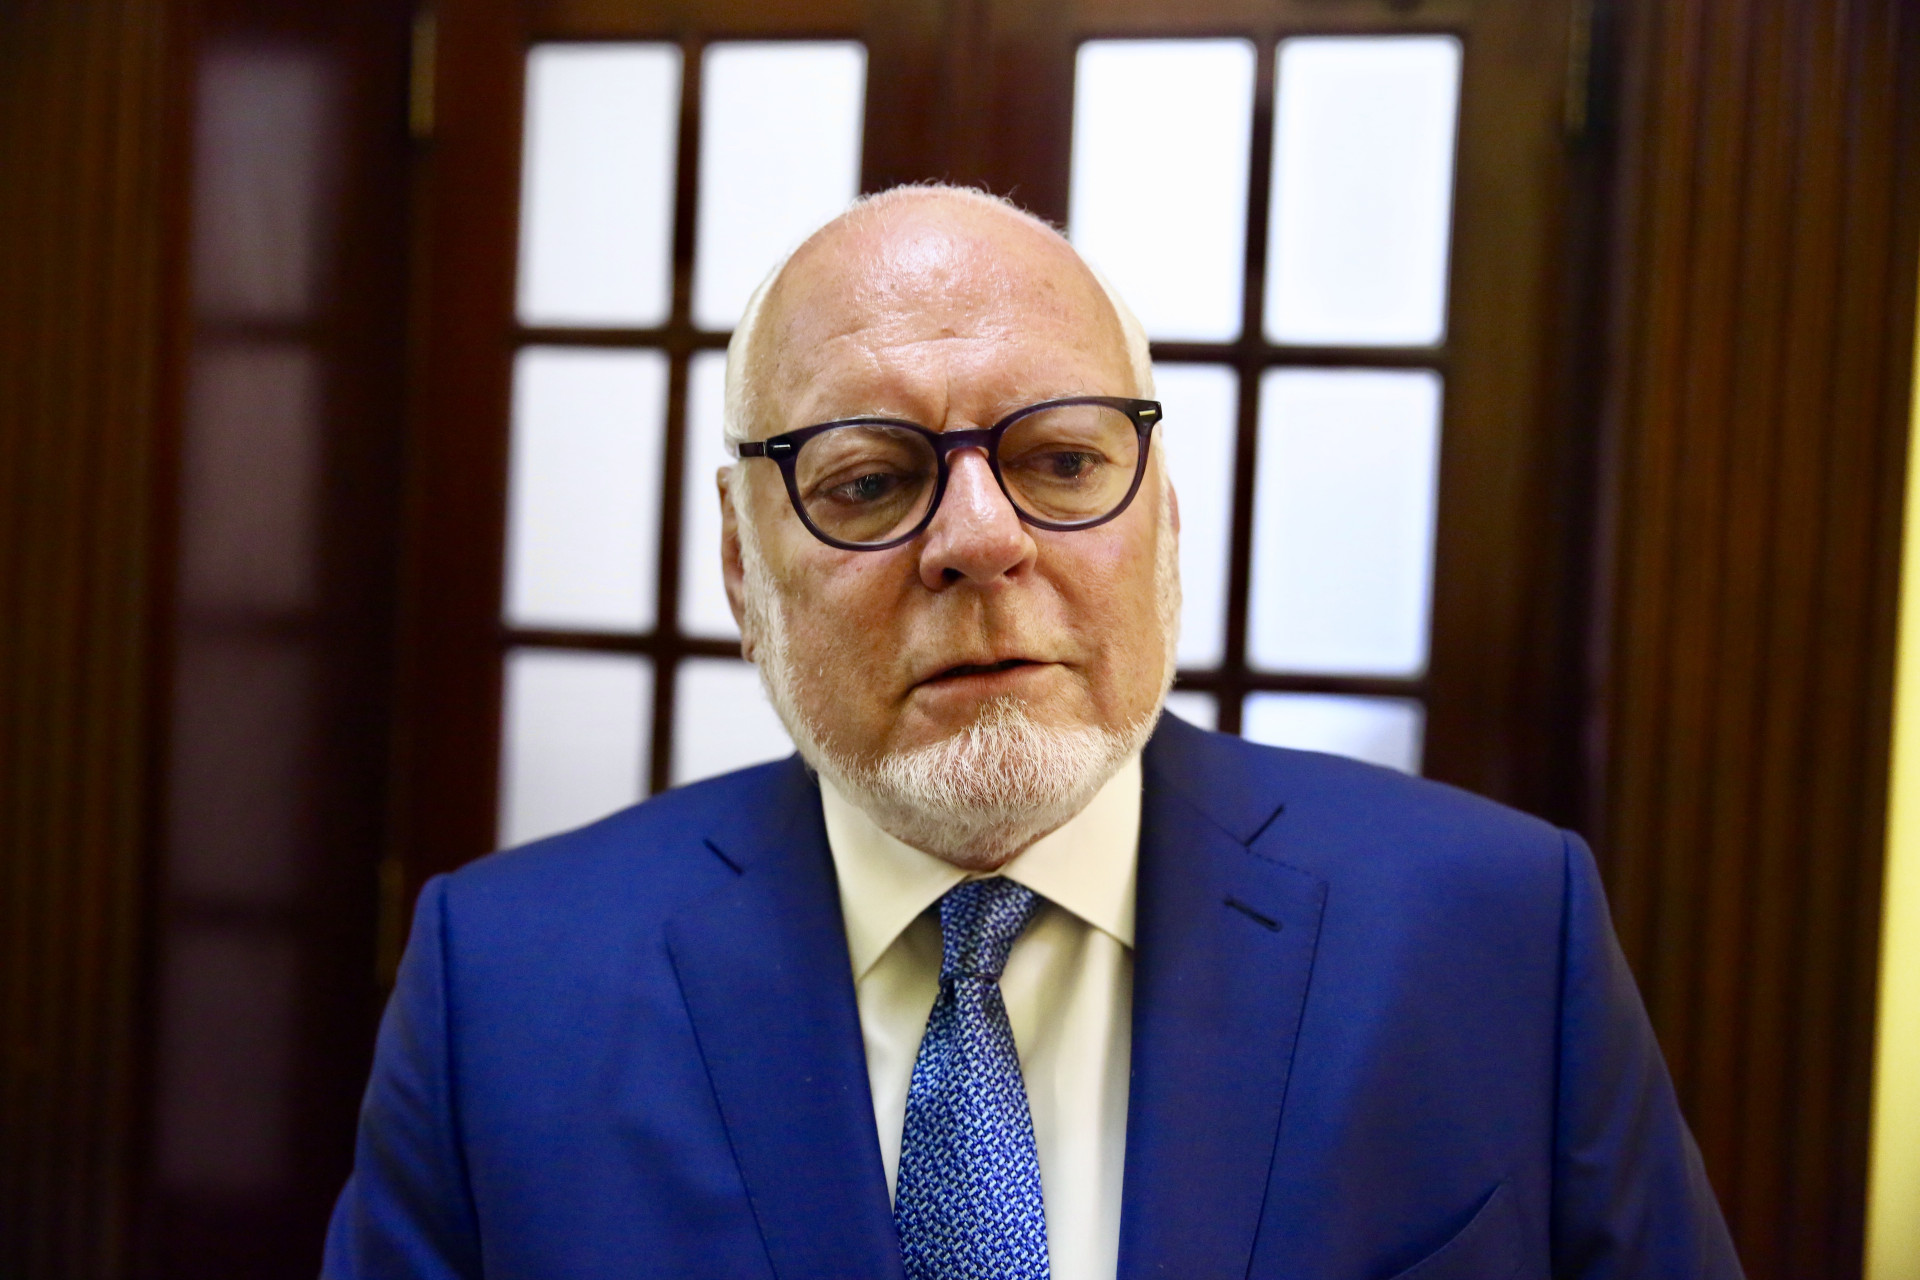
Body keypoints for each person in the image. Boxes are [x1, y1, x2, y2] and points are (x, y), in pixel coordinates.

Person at [322, 185, 1743, 1280]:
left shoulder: (1498, 933)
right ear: (744, 570)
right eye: (869, 482)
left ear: (1165, 521)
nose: (980, 540)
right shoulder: (503, 992)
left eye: (1062, 460)